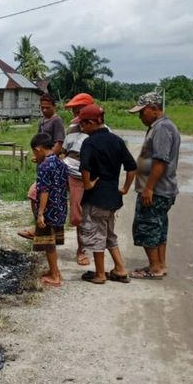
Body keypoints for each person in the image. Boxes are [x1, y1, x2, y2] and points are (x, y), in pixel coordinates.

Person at [77, 104, 137, 284]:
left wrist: (87, 184)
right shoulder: (117, 140)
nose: (82, 128)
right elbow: (132, 167)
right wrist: (125, 188)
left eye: (83, 124)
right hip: (112, 198)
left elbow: (85, 167)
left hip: (96, 198)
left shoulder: (89, 142)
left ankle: (100, 274)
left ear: (92, 122)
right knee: (109, 234)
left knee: (96, 235)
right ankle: (120, 268)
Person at [128, 92, 181, 280]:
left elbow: (160, 160)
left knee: (146, 226)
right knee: (158, 227)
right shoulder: (157, 126)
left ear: (153, 108)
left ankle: (154, 267)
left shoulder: (162, 128)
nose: (140, 117)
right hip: (160, 189)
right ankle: (159, 264)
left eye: (142, 112)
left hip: (157, 190)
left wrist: (148, 188)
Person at [18, 94, 66, 240]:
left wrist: (48, 157)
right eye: (42, 107)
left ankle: (40, 226)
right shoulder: (42, 121)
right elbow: (39, 140)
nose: (44, 110)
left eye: (47, 107)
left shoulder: (57, 121)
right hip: (44, 160)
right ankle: (45, 228)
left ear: (54, 106)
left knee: (38, 193)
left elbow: (59, 142)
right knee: (43, 196)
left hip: (50, 163)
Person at [30, 132, 69, 287]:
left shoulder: (44, 166)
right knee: (51, 240)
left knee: (48, 243)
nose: (34, 155)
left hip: (48, 209)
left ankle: (54, 275)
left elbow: (44, 190)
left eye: (34, 152)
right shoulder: (61, 163)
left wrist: (40, 213)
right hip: (60, 206)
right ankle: (55, 271)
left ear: (38, 149)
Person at [62, 93, 96, 266]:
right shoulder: (73, 127)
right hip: (67, 171)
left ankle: (82, 250)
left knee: (79, 215)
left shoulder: (99, 130)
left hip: (82, 177)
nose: (76, 114)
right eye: (74, 111)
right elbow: (65, 149)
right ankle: (46, 234)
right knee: (36, 192)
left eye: (79, 110)